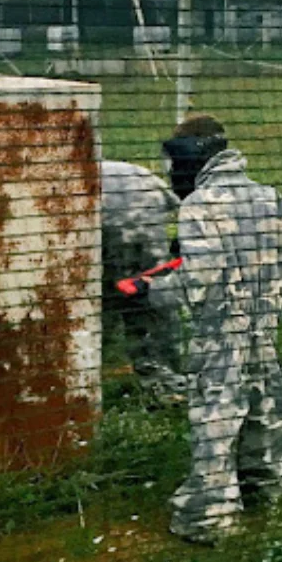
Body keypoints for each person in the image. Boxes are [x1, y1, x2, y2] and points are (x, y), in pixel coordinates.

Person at [145, 115, 282, 542]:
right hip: (262, 326)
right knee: (266, 404)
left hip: (221, 332)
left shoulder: (201, 205)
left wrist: (156, 289)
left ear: (190, 157)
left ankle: (210, 516)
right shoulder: (265, 195)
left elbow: (198, 279)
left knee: (216, 417)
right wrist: (276, 285)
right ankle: (272, 489)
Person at [100, 159, 187, 400]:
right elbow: (173, 204)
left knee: (112, 295)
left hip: (111, 221)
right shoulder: (136, 173)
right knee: (150, 296)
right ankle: (166, 379)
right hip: (144, 209)